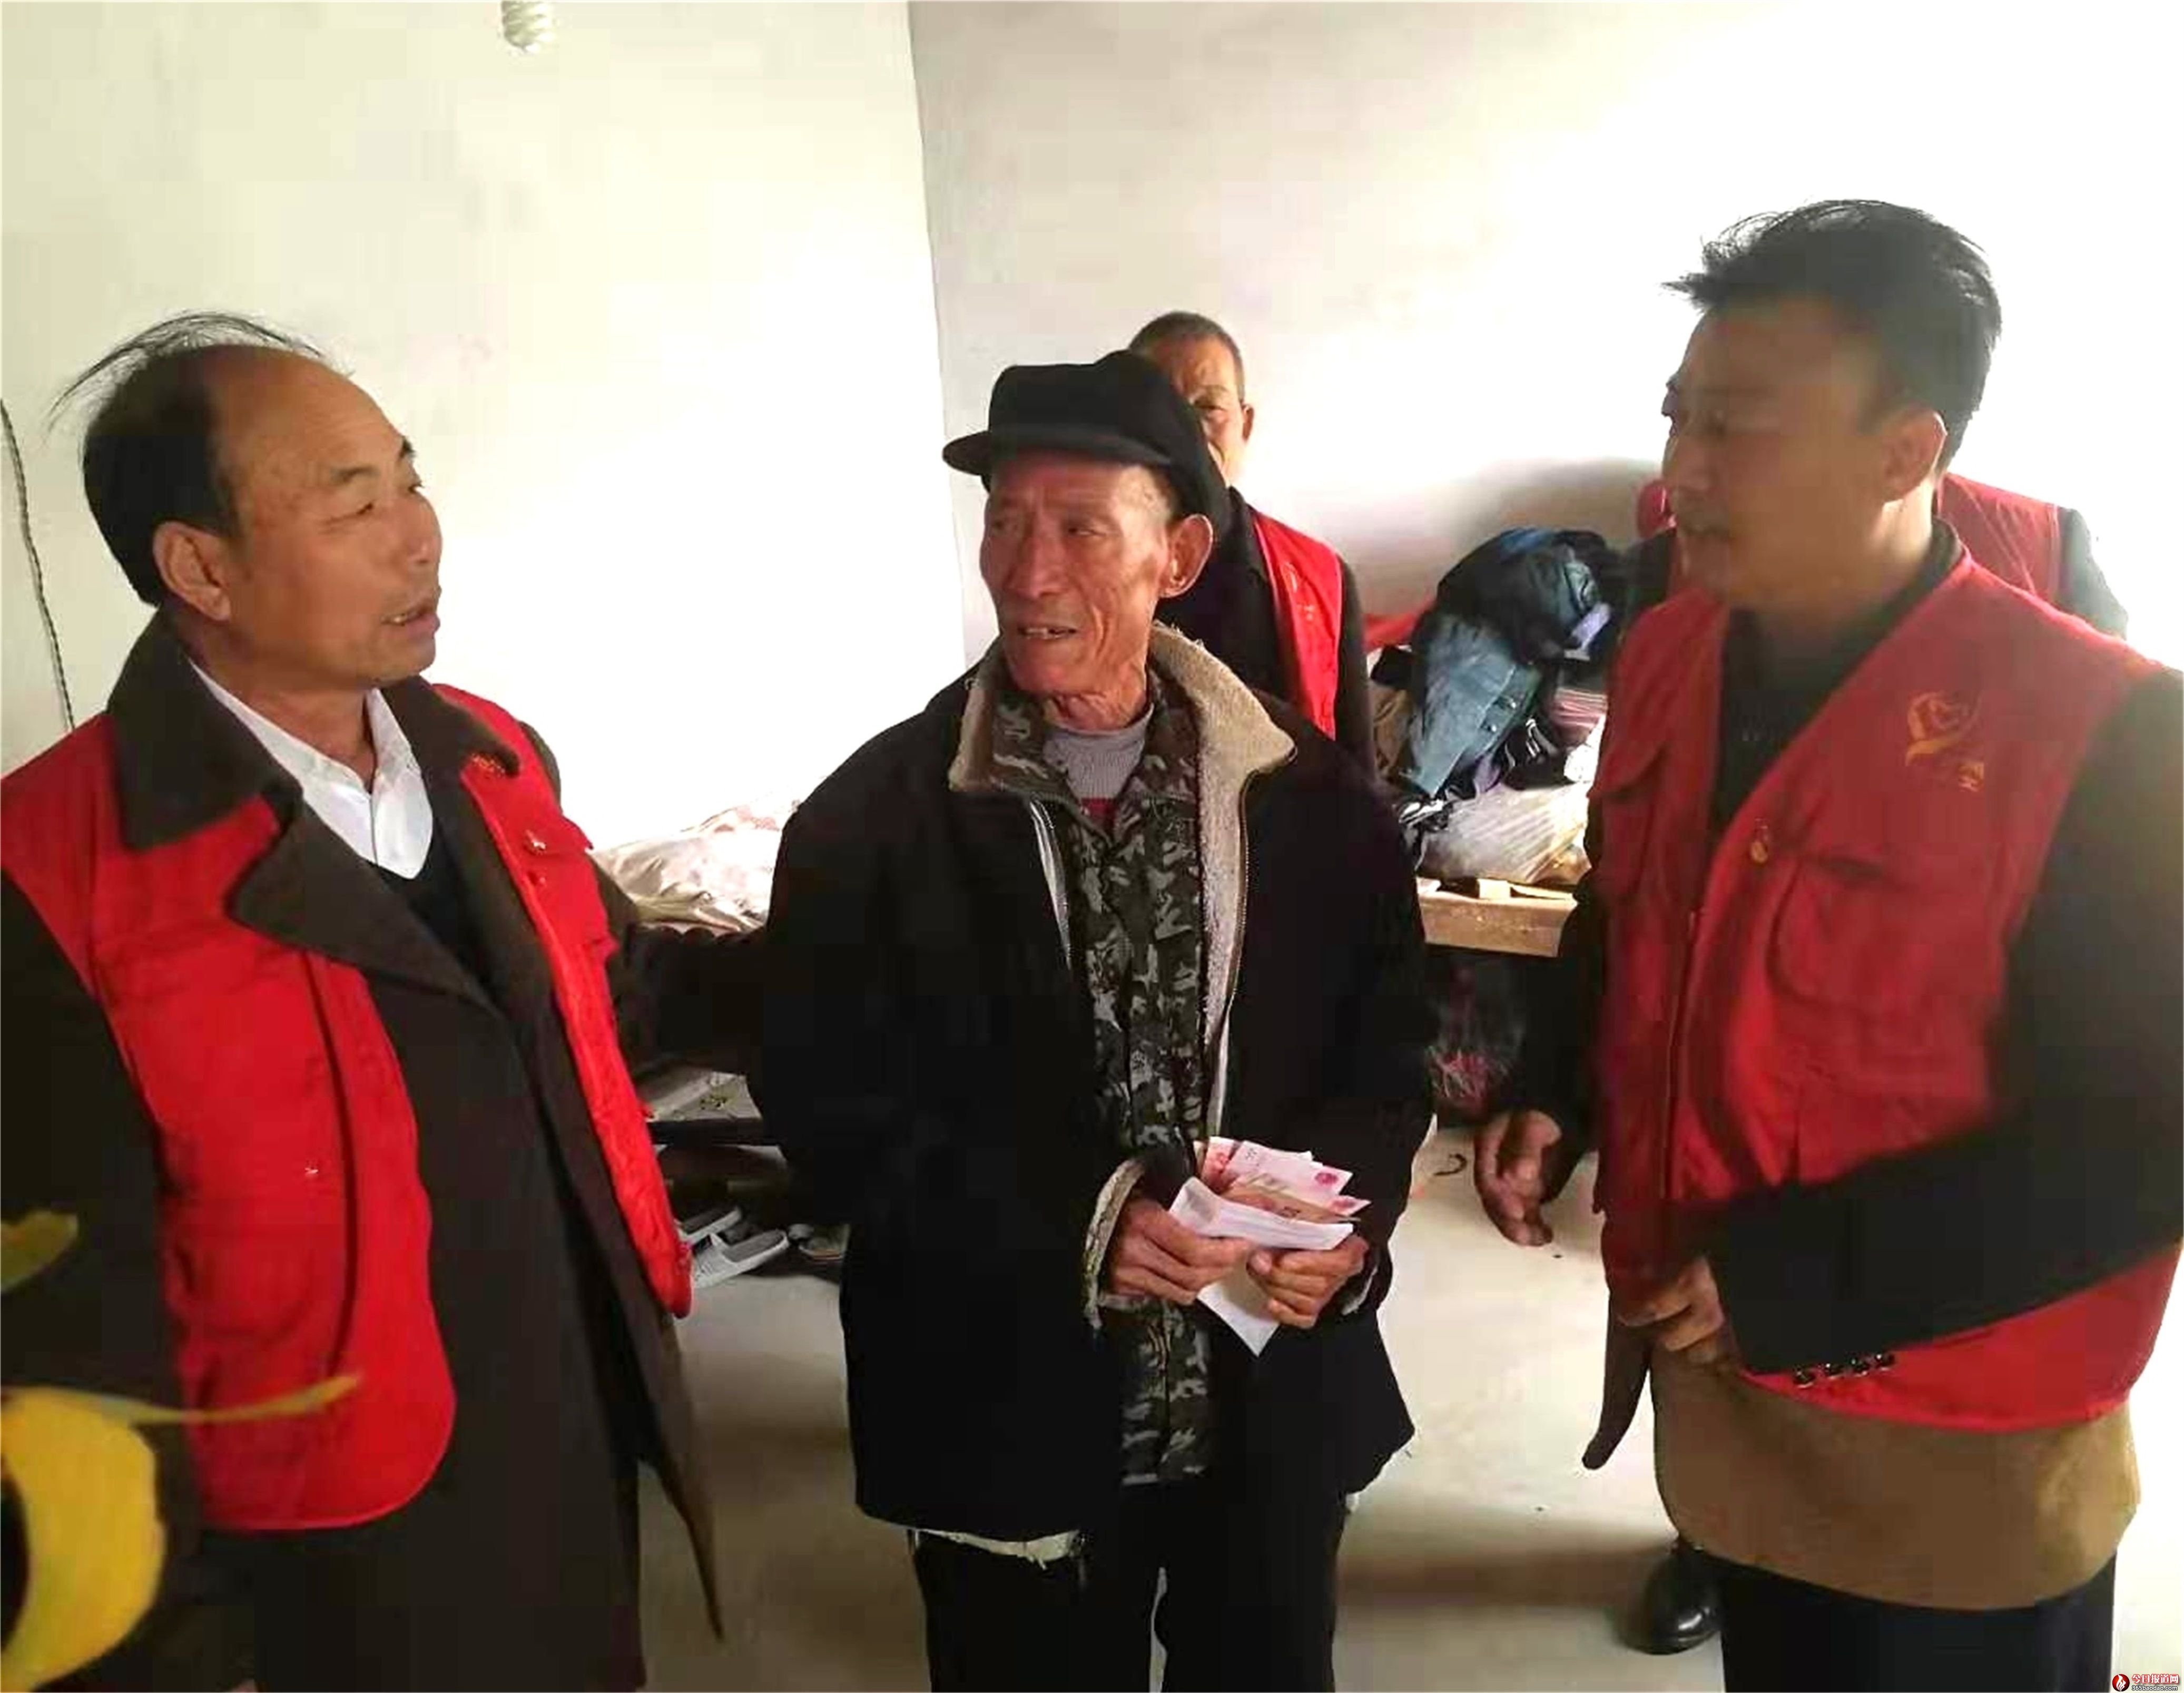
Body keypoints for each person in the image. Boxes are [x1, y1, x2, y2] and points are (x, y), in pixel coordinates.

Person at [1475, 201, 2181, 1691]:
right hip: (1733, 1408)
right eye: (1678, 415)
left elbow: (2147, 1141)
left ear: (1903, 452)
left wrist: (1806, 1279)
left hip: (1958, 1446)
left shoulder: (2107, 734)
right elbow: (1635, 905)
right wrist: (1558, 1085)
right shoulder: (1671, 649)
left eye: (1736, 427)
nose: (1682, 470)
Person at [0, 314, 754, 1689]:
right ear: (201, 567)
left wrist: (856, 940)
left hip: (568, 1430)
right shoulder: (52, 872)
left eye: (411, 481)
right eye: (356, 506)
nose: (420, 538)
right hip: (330, 1531)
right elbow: (59, 1338)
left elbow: (613, 993)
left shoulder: (488, 756)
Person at [759, 350, 1432, 1691]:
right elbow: (827, 1109)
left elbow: (1386, 1058)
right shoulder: (875, 821)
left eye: (1080, 528)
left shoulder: (1310, 803)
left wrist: (1343, 1237)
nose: (1027, 571)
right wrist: (1078, 1217)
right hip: (1001, 1400)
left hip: (1265, 1398)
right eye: (1006, 521)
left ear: (1177, 556)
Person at [1128, 313, 1375, 768]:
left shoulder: (1322, 578)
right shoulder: (1084, 569)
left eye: (1208, 407)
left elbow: (1357, 769)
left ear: (1244, 427)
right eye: (1163, 409)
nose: (1187, 431)